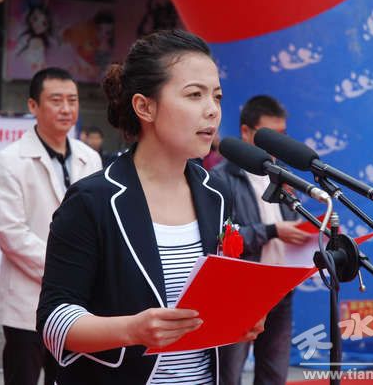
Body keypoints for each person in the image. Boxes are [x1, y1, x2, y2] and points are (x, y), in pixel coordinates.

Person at [36, 29, 265, 384]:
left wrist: (238, 315)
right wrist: (131, 330)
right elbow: (54, 321)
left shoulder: (216, 193)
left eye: (217, 97)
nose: (212, 110)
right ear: (144, 107)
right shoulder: (92, 200)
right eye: (194, 94)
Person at [0, 67, 102, 385]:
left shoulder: (90, 157)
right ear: (33, 106)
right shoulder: (10, 160)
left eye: (72, 100)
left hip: (79, 304)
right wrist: (68, 270)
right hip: (27, 301)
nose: (66, 109)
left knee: (70, 378)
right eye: (56, 100)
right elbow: (11, 234)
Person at [211, 95, 309, 385]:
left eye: (282, 135)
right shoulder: (220, 178)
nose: (278, 144)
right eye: (269, 136)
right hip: (240, 290)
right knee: (228, 373)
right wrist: (272, 231)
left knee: (274, 373)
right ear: (245, 132)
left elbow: (290, 223)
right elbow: (221, 238)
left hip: (280, 288)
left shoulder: (282, 176)